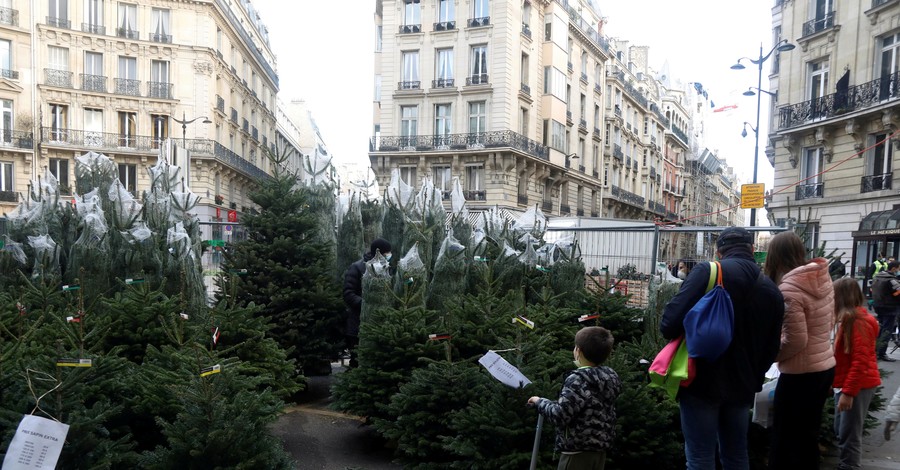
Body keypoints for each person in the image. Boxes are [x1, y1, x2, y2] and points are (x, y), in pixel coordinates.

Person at [660, 227, 784, 470]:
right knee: (737, 456)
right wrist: (753, 378)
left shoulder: (709, 272)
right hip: (742, 386)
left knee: (699, 458)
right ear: (751, 250)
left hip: (701, 382)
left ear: (719, 252)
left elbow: (668, 324)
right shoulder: (771, 290)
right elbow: (772, 348)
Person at [762, 232, 836, 469]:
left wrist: (771, 357)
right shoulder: (821, 279)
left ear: (775, 257)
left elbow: (795, 340)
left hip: (800, 374)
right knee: (806, 437)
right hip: (823, 367)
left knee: (785, 438)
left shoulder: (791, 288)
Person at [527, 326, 622, 470]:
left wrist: (539, 401)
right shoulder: (609, 377)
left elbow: (560, 415)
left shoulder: (578, 380)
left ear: (578, 351)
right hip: (599, 452)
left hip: (576, 453)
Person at [831, 278, 881, 470]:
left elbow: (860, 361)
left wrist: (849, 392)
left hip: (857, 387)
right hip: (850, 385)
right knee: (842, 430)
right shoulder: (851, 320)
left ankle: (849, 467)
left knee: (849, 434)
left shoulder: (858, 323)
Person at [342, 238, 391, 368]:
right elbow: (348, 293)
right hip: (358, 323)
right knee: (357, 360)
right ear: (378, 253)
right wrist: (368, 305)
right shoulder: (358, 267)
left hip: (380, 323)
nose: (389, 256)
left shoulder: (387, 268)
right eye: (387, 253)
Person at [872, 260, 900, 361]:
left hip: (879, 306)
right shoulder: (891, 280)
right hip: (890, 307)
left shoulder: (878, 277)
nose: (898, 271)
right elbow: (898, 292)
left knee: (881, 329)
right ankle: (881, 353)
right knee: (887, 330)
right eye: (898, 269)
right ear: (894, 268)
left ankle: (876, 350)